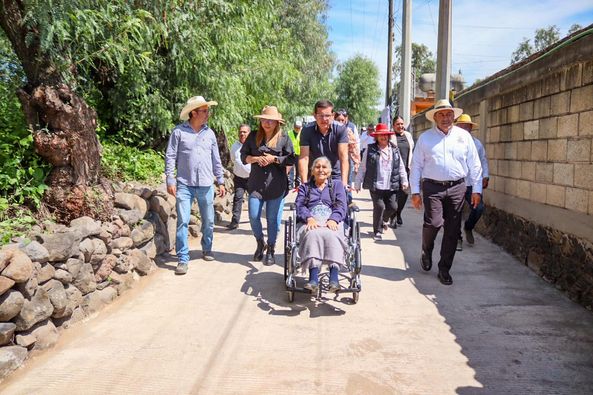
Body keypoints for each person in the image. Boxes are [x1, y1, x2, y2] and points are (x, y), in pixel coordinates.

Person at [409, 99, 483, 286]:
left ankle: (444, 268)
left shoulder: (463, 137)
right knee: (433, 222)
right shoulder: (425, 138)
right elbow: (416, 165)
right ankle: (427, 250)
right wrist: (415, 192)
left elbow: (475, 164)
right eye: (441, 114)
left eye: (448, 114)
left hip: (458, 187)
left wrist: (477, 189)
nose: (445, 118)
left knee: (452, 229)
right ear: (434, 117)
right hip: (432, 187)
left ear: (454, 116)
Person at [165, 95, 226, 275]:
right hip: (184, 183)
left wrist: (220, 180)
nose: (208, 114)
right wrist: (170, 179)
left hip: (206, 184)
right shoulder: (179, 132)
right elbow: (170, 156)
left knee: (208, 220)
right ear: (193, 113)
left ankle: (207, 248)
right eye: (204, 111)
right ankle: (183, 258)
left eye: (208, 110)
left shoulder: (210, 133)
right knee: (183, 221)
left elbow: (216, 159)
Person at [241, 106, 295, 265]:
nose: (267, 123)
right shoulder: (252, 136)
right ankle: (260, 242)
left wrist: (275, 159)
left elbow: (291, 159)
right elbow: (244, 156)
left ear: (277, 122)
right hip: (256, 184)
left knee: (272, 220)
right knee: (253, 216)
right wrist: (255, 159)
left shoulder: (284, 138)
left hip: (276, 185)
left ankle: (271, 248)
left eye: (271, 120)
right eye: (264, 119)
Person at [296, 156, 348, 293]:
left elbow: (342, 205)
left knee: (333, 234)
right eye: (317, 167)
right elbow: (299, 205)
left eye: (324, 167)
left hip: (331, 220)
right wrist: (309, 218)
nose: (321, 170)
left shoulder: (337, 185)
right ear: (312, 171)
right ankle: (313, 278)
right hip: (311, 221)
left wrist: (333, 219)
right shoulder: (305, 187)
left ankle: (334, 278)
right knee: (312, 234)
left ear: (329, 171)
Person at [354, 123, 408, 241]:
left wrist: (404, 180)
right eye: (380, 135)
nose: (383, 137)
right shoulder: (370, 149)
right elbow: (363, 167)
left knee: (393, 207)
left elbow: (400, 166)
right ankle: (377, 230)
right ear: (376, 137)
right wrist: (357, 183)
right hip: (376, 184)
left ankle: (384, 220)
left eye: (385, 135)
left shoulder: (394, 149)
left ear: (388, 136)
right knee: (379, 206)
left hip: (391, 184)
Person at [454, 114, 489, 250]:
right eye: (462, 126)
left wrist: (485, 176)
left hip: (472, 183)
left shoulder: (477, 144)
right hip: (457, 183)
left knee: (479, 208)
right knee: (456, 212)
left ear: (470, 128)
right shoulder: (452, 142)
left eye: (467, 126)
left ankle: (469, 227)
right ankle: (457, 238)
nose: (464, 128)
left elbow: (483, 161)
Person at [298, 100, 349, 186]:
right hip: (315, 174)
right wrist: (304, 184)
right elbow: (304, 158)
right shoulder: (306, 130)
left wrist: (344, 183)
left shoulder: (341, 129)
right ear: (314, 115)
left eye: (327, 115)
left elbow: (343, 157)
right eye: (320, 116)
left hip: (335, 174)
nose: (324, 119)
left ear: (333, 116)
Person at [391, 116, 415, 228]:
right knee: (394, 194)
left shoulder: (408, 136)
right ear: (393, 125)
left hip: (407, 169)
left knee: (404, 194)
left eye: (402, 124)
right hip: (393, 170)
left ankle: (398, 212)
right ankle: (393, 216)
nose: (400, 126)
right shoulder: (390, 137)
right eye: (397, 124)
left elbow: (411, 151)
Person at [227, 124, 251, 230]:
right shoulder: (234, 146)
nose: (242, 134)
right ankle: (235, 221)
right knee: (237, 198)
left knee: (255, 200)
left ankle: (255, 221)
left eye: (244, 132)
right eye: (240, 132)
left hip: (252, 178)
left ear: (249, 133)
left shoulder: (253, 145)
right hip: (239, 178)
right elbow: (233, 160)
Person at [334, 109, 361, 188]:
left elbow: (354, 146)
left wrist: (356, 162)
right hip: (334, 158)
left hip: (347, 158)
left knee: (347, 178)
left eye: (342, 120)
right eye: (338, 120)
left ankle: (347, 197)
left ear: (346, 118)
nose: (340, 122)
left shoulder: (350, 129)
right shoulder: (330, 128)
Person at [287, 120, 302, 189]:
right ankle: (290, 183)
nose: (297, 129)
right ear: (294, 126)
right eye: (296, 127)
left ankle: (297, 183)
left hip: (299, 154)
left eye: (299, 127)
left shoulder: (302, 134)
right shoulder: (289, 133)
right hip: (291, 153)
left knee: (299, 169)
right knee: (291, 169)